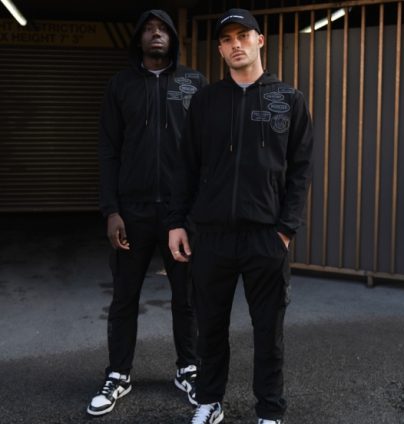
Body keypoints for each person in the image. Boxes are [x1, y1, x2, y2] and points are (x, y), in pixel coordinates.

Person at [167, 8, 313, 424]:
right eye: (227, 39)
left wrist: (285, 230)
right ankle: (209, 401)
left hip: (265, 237)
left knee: (268, 331)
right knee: (210, 328)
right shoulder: (205, 101)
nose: (236, 45)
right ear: (219, 49)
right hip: (211, 236)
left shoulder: (289, 100)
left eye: (243, 36)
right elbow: (186, 166)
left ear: (260, 41)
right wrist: (177, 222)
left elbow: (301, 170)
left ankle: (270, 410)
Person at [87, 9, 207, 416]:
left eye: (163, 30)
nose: (156, 34)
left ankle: (189, 369)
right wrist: (111, 210)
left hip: (180, 214)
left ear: (173, 39)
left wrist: (195, 213)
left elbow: (205, 151)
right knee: (124, 297)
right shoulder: (120, 86)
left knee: (187, 297)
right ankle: (118, 374)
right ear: (138, 39)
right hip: (132, 211)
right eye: (148, 30)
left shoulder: (194, 83)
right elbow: (108, 150)